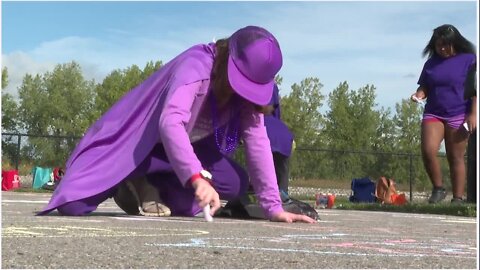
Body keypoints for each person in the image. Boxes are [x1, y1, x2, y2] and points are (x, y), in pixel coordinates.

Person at [38, 25, 316, 223]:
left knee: (232, 184)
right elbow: (170, 123)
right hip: (138, 145)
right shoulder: (196, 68)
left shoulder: (246, 97)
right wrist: (195, 177)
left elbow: (257, 139)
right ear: (229, 61)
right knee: (73, 205)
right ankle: (130, 177)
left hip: (175, 157)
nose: (244, 93)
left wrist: (273, 207)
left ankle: (149, 184)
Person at [410, 24, 476, 204]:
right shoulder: (431, 63)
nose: (442, 48)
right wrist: (419, 95)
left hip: (459, 113)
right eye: (438, 45)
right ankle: (438, 188)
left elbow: (475, 89)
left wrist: (473, 114)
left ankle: (457, 198)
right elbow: (424, 86)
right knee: (428, 150)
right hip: (434, 113)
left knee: (455, 157)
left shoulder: (469, 60)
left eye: (446, 45)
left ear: (455, 43)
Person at [263, 84, 295, 202]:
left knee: (263, 169)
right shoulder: (272, 85)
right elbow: (276, 111)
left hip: (269, 134)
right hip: (285, 137)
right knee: (282, 171)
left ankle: (265, 196)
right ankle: (283, 197)